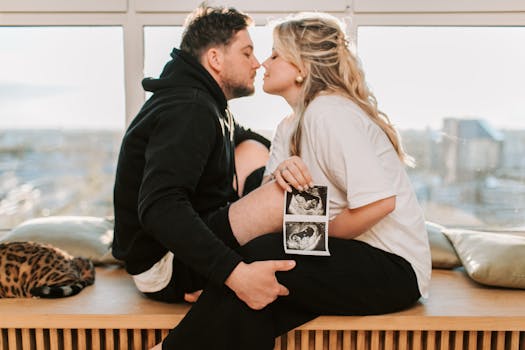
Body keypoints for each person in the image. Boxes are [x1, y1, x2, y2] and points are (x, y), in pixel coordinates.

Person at [153, 12, 431, 350]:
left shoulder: (330, 112)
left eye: (274, 54)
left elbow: (380, 203)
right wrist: (227, 281)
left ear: (301, 67)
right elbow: (274, 211)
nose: (262, 64)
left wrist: (225, 279)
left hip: (395, 268)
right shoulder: (289, 126)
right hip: (343, 257)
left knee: (260, 258)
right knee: (255, 296)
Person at [112, 3, 299, 326]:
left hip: (170, 250)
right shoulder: (190, 108)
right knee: (282, 197)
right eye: (247, 53)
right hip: (164, 264)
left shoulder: (202, 101)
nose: (256, 63)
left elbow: (240, 135)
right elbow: (160, 206)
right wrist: (235, 275)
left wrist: (282, 158)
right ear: (215, 58)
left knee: (252, 149)